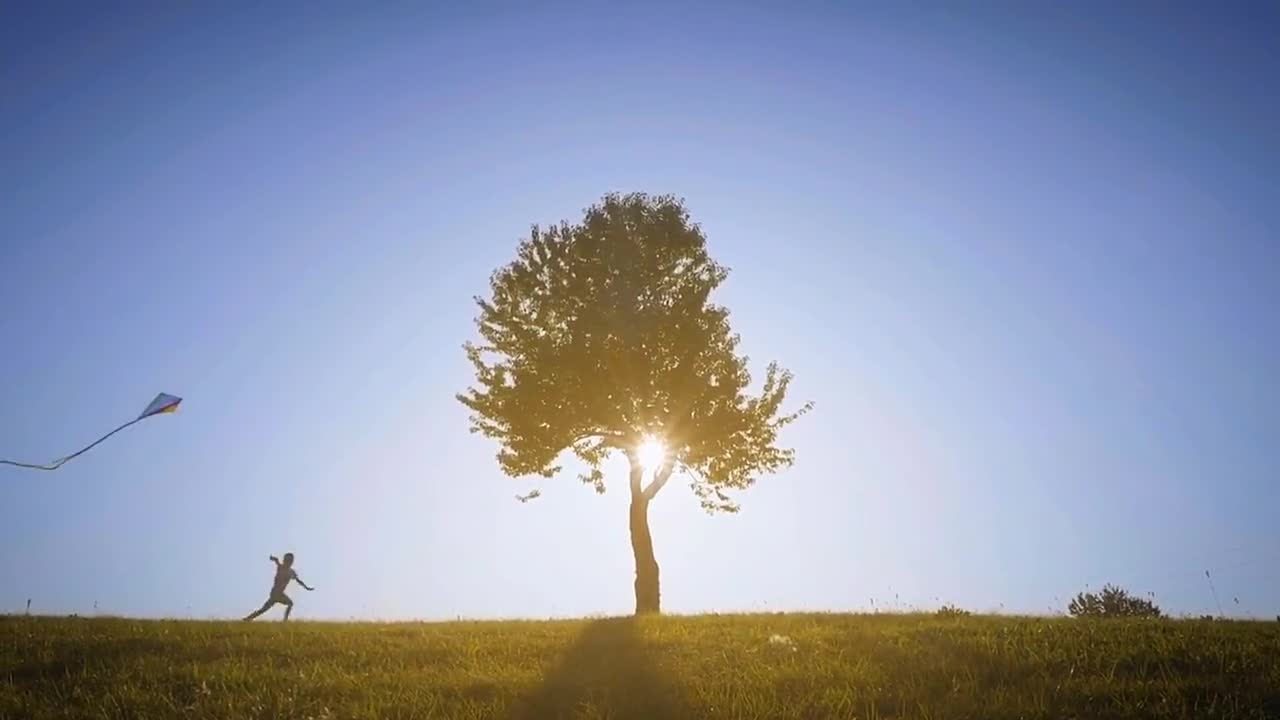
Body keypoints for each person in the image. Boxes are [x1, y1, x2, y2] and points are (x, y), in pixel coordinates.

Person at [243, 552, 314, 622]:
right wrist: (273, 558)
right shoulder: (281, 567)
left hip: (279, 593)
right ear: (285, 560)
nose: (289, 562)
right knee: (287, 604)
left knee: (264, 609)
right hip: (275, 593)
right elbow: (276, 561)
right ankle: (284, 620)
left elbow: (298, 581)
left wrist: (306, 587)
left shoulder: (291, 571)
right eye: (287, 560)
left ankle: (248, 618)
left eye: (290, 560)